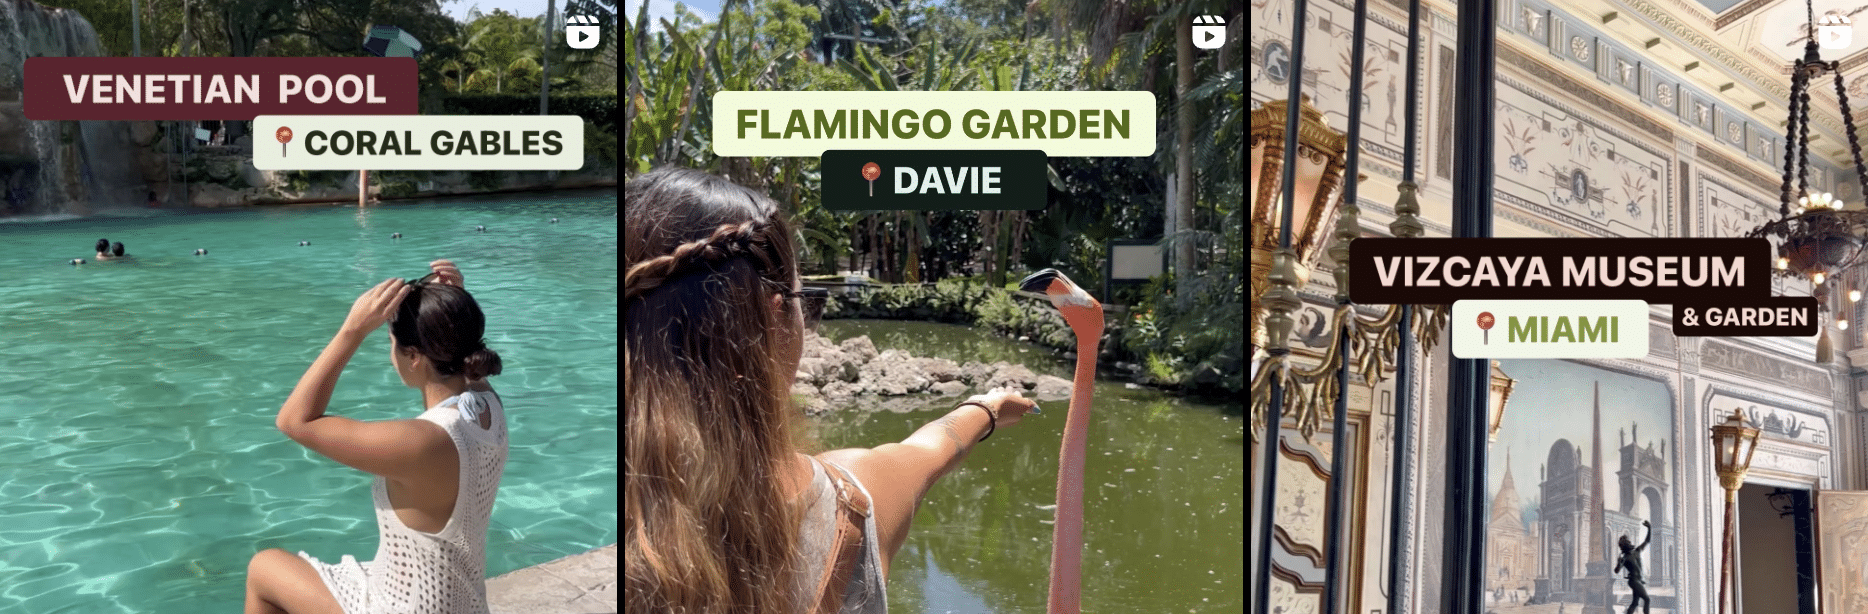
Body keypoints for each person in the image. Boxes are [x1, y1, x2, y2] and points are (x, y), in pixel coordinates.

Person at [624, 167, 1039, 613]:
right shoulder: (850, 503)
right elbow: (936, 447)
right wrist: (989, 407)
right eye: (807, 302)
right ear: (775, 316)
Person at [245, 259, 510, 614]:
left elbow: (294, 421)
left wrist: (351, 330)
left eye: (392, 344)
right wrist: (452, 304)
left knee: (264, 568)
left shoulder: (422, 442)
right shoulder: (488, 408)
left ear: (414, 356)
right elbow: (467, 364)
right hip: (461, 604)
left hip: (408, 607)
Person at [1615, 520, 1654, 614]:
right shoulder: (1625, 558)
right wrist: (1619, 563)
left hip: (1639, 581)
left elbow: (1647, 541)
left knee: (1635, 603)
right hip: (1634, 581)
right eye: (1624, 544)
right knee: (1647, 599)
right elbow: (1616, 571)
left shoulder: (1637, 551)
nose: (1627, 544)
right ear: (1623, 547)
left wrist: (1649, 528)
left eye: (1627, 542)